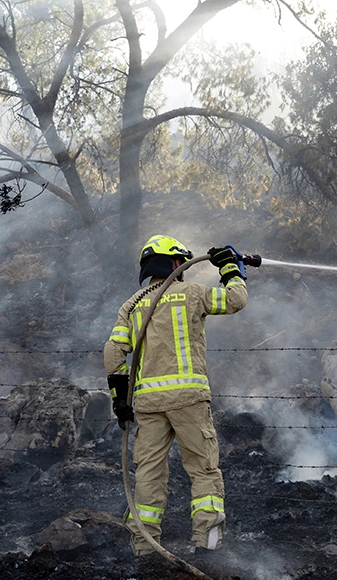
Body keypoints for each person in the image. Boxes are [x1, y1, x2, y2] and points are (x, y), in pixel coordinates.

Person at [104, 234, 248, 556]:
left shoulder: (132, 305)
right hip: (189, 400)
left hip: (149, 404)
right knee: (203, 471)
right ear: (174, 263)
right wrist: (230, 269)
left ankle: (144, 551)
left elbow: (114, 351)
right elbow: (236, 300)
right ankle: (207, 549)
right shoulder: (192, 293)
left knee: (148, 476)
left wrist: (119, 398)